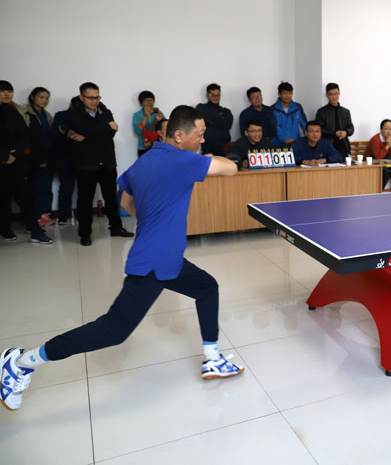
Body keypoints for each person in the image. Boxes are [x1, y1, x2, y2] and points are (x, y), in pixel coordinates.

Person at [0, 106, 244, 412]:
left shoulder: (145, 161)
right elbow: (230, 169)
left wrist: (156, 218)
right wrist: (220, 156)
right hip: (154, 262)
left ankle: (212, 358)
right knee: (113, 330)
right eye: (201, 134)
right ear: (180, 136)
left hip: (167, 259)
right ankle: (21, 362)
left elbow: (126, 201)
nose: (203, 139)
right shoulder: (182, 159)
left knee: (207, 287)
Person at [67, 82, 134, 246]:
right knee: (85, 200)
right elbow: (89, 128)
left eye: (97, 97)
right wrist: (103, 128)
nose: (95, 101)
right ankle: (85, 234)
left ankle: (116, 228)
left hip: (107, 162)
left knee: (111, 198)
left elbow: (111, 131)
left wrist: (88, 134)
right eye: (90, 98)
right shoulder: (74, 113)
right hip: (86, 164)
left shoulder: (104, 110)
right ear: (81, 97)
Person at [1, 98, 53, 245]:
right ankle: (5, 230)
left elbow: (24, 133)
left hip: (15, 161)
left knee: (25, 197)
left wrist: (15, 154)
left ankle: (35, 231)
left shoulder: (8, 110)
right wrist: (4, 156)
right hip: (3, 160)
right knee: (3, 199)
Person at [24, 87, 56, 226]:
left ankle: (45, 214)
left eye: (46, 98)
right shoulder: (26, 113)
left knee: (46, 186)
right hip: (33, 156)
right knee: (34, 187)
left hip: (48, 155)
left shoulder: (46, 115)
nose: (44, 100)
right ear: (33, 97)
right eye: (41, 97)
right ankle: (35, 216)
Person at [51, 104, 76, 224]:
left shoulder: (86, 117)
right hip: (64, 157)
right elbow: (55, 135)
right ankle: (64, 214)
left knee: (86, 187)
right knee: (66, 186)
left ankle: (83, 213)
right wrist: (67, 133)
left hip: (83, 156)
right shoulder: (61, 115)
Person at [314, 82, 353, 159]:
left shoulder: (346, 111)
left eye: (336, 94)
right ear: (327, 95)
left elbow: (351, 129)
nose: (334, 97)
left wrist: (346, 132)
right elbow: (318, 130)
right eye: (331, 94)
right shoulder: (322, 111)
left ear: (339, 93)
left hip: (343, 146)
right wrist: (334, 133)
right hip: (327, 147)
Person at [365, 119, 391, 191]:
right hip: (373, 163)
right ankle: (377, 193)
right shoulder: (375, 139)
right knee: (385, 173)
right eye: (386, 129)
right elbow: (378, 157)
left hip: (386, 162)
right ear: (381, 129)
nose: (389, 131)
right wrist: (387, 145)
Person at [196, 83, 233, 156]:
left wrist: (210, 122)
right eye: (213, 95)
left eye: (218, 95)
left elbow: (227, 125)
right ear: (207, 95)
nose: (216, 98)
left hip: (224, 147)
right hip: (208, 147)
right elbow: (201, 122)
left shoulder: (226, 111)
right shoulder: (201, 107)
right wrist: (220, 119)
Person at [270, 81, 307, 147]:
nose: (288, 96)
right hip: (278, 145)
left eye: (290, 93)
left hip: (296, 144)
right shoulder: (272, 109)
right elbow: (274, 127)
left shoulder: (298, 107)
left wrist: (308, 137)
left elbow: (304, 124)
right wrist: (284, 139)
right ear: (279, 94)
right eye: (285, 93)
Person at [132, 90, 162, 157]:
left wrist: (160, 120)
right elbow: (138, 131)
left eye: (151, 100)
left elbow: (165, 129)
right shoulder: (137, 115)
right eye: (146, 100)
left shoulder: (158, 113)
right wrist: (146, 116)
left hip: (158, 146)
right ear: (141, 103)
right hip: (143, 147)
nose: (149, 103)